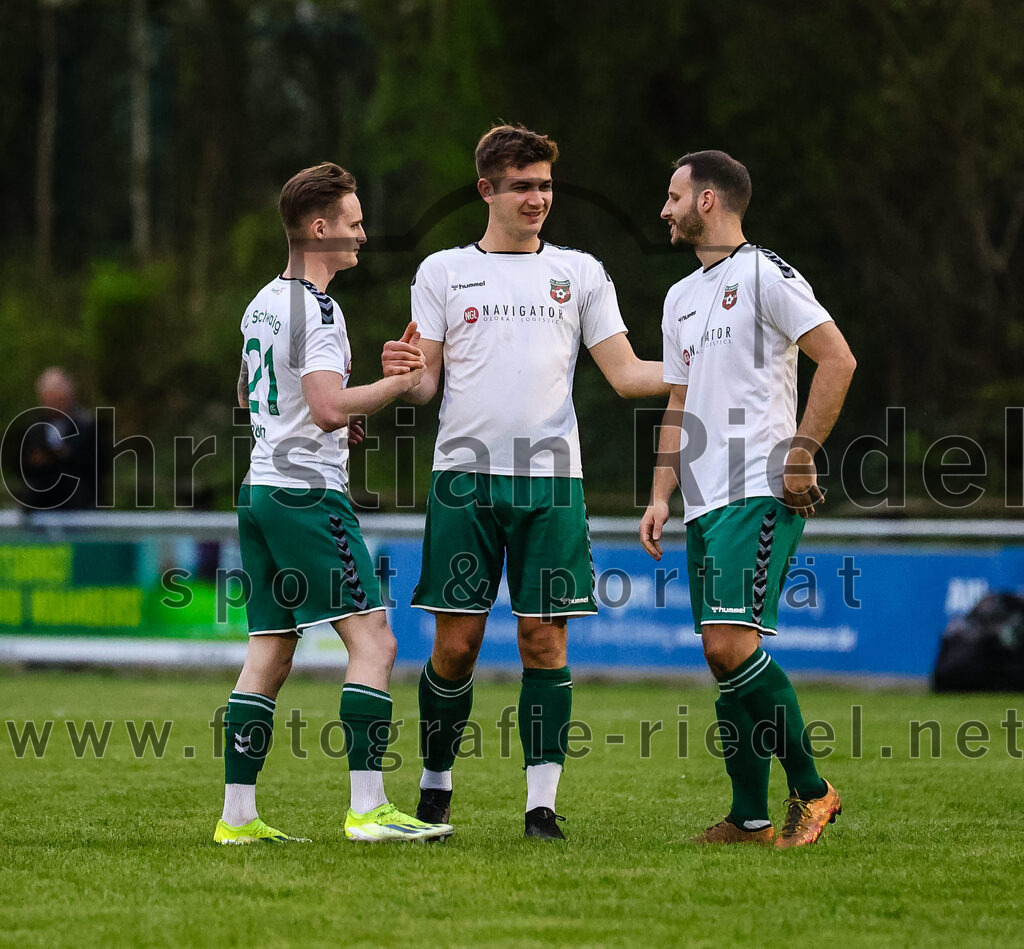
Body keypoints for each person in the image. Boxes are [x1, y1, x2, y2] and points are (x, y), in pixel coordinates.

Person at [381, 124, 668, 839]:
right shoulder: (444, 271)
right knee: (456, 647)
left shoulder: (582, 273)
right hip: (462, 482)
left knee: (545, 643)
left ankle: (541, 804)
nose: (538, 197)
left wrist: (716, 367)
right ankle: (435, 785)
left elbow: (628, 374)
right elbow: (426, 387)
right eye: (523, 186)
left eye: (544, 185)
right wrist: (402, 376)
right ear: (487, 190)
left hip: (551, 486)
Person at [215, 162, 452, 845]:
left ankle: (237, 817)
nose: (362, 233)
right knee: (374, 640)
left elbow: (249, 397)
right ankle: (369, 808)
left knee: (270, 649)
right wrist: (392, 387)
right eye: (351, 222)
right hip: (308, 495)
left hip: (260, 489)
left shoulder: (262, 301)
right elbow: (321, 407)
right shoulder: (317, 309)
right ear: (318, 229)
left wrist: (343, 409)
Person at [639, 150, 857, 847]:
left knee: (731, 644)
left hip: (759, 489)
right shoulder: (680, 298)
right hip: (704, 500)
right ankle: (750, 818)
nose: (664, 210)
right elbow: (678, 399)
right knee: (722, 654)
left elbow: (838, 357)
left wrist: (800, 452)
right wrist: (660, 493)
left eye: (673, 197)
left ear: (708, 200)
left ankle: (815, 791)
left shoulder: (765, 272)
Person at [16, 367, 99, 509]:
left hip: (77, 504)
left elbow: (97, 465)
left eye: (59, 399)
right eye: (50, 399)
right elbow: (21, 466)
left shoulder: (86, 425)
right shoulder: (34, 426)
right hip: (40, 504)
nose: (55, 405)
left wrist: (66, 455)